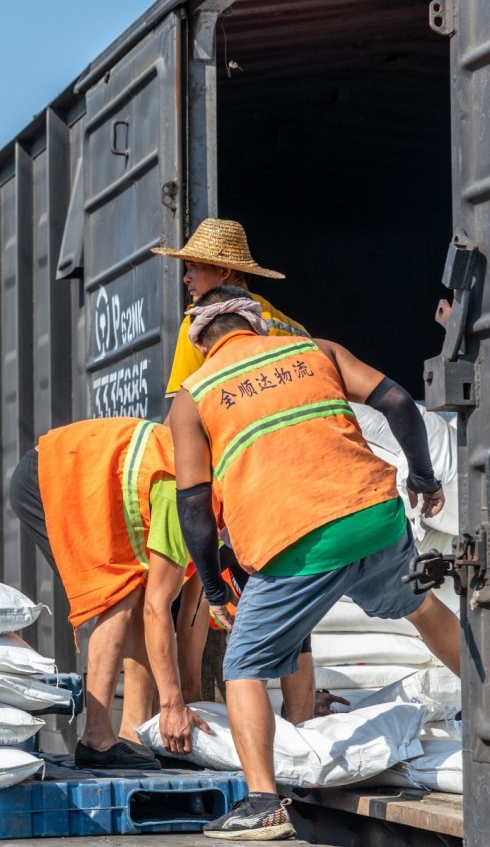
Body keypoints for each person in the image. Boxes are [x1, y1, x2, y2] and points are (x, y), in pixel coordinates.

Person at [168, 285, 462, 841]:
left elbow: (194, 507)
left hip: (293, 538)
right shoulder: (314, 351)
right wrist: (422, 477)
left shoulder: (194, 395)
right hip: (374, 514)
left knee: (244, 665)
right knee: (421, 607)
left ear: (202, 344)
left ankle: (262, 802)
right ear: (255, 324)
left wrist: (212, 587)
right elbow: (398, 401)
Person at [8, 419, 210, 769]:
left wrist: (193, 697)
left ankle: (133, 735)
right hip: (50, 475)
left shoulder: (213, 507)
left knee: (142, 586)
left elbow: (194, 605)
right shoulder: (181, 490)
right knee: (120, 593)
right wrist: (172, 705)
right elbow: (157, 609)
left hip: (85, 475)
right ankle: (97, 739)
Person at [151, 218, 307, 399]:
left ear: (225, 272)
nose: (186, 278)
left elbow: (183, 405)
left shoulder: (198, 324)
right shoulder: (290, 326)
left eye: (194, 267)